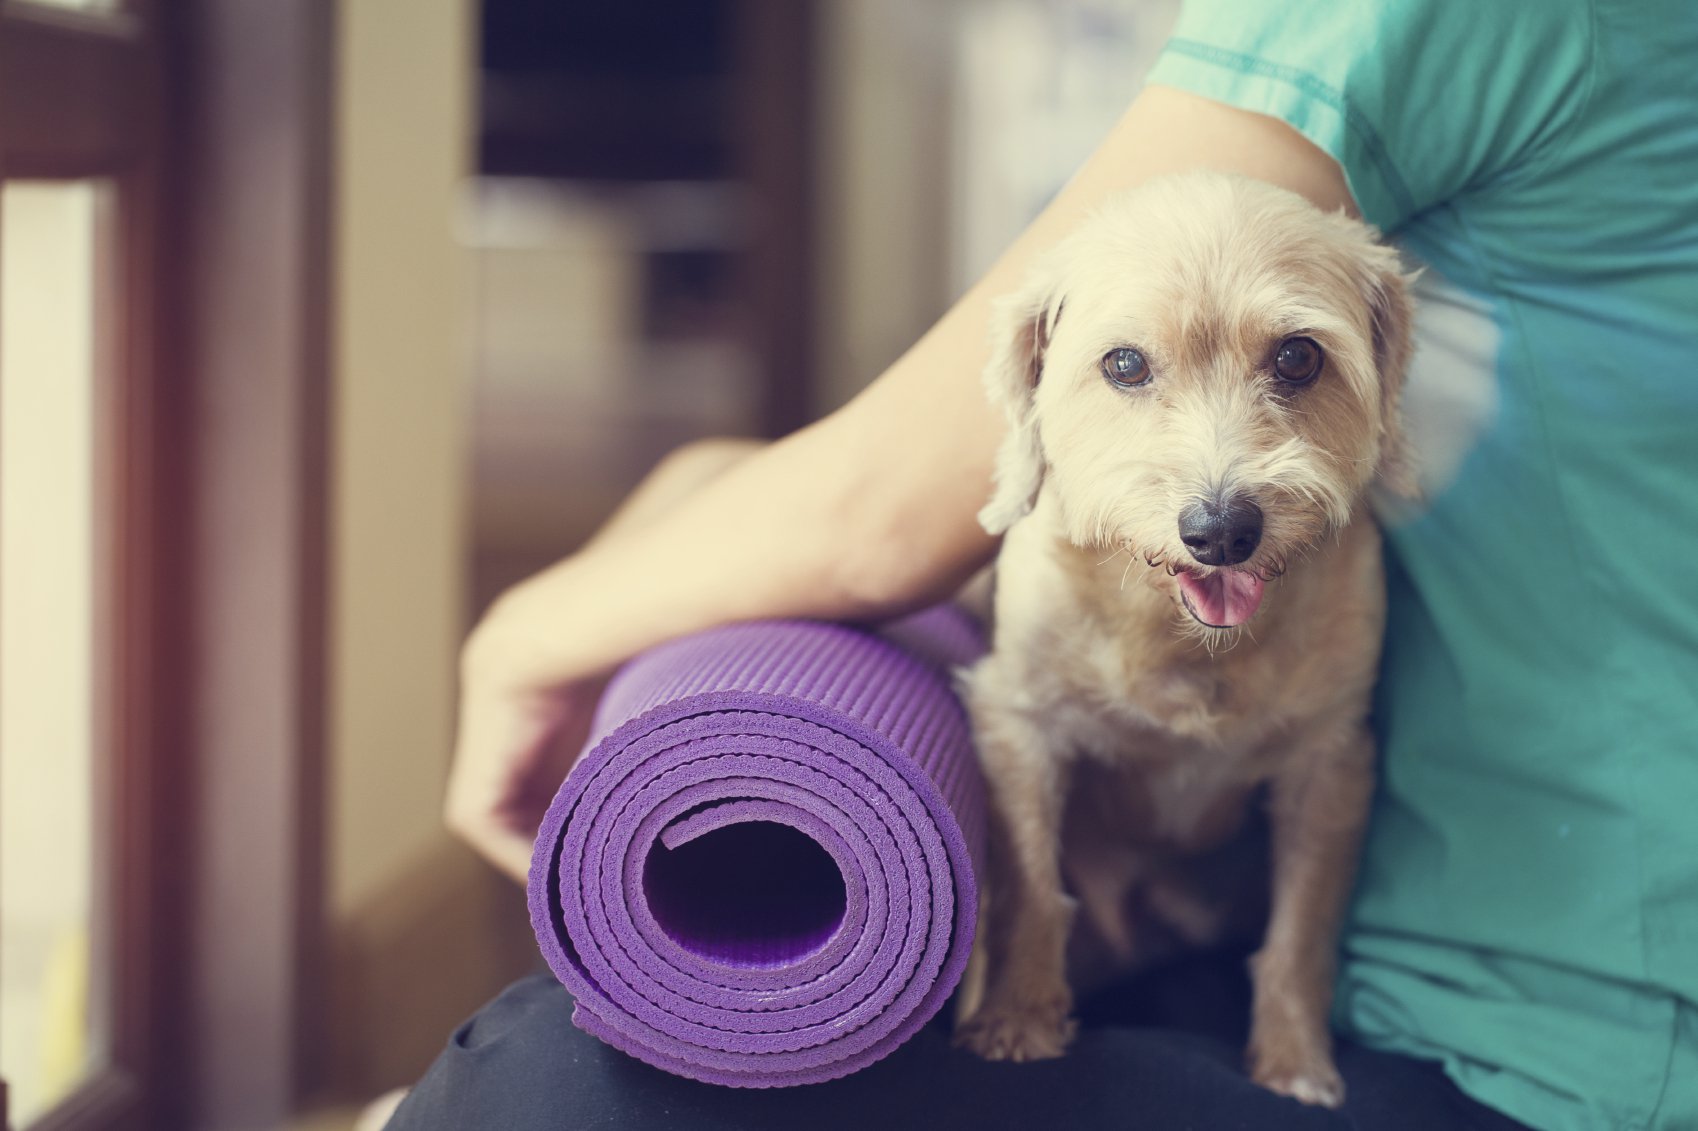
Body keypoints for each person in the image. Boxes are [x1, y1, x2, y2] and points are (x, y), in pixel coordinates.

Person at [395, 0, 1698, 1127]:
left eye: (1293, 363)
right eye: (1128, 370)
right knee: (703, 489)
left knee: (524, 1092)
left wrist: (511, 637)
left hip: (1534, 1036)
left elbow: (882, 516)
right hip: (1528, 963)